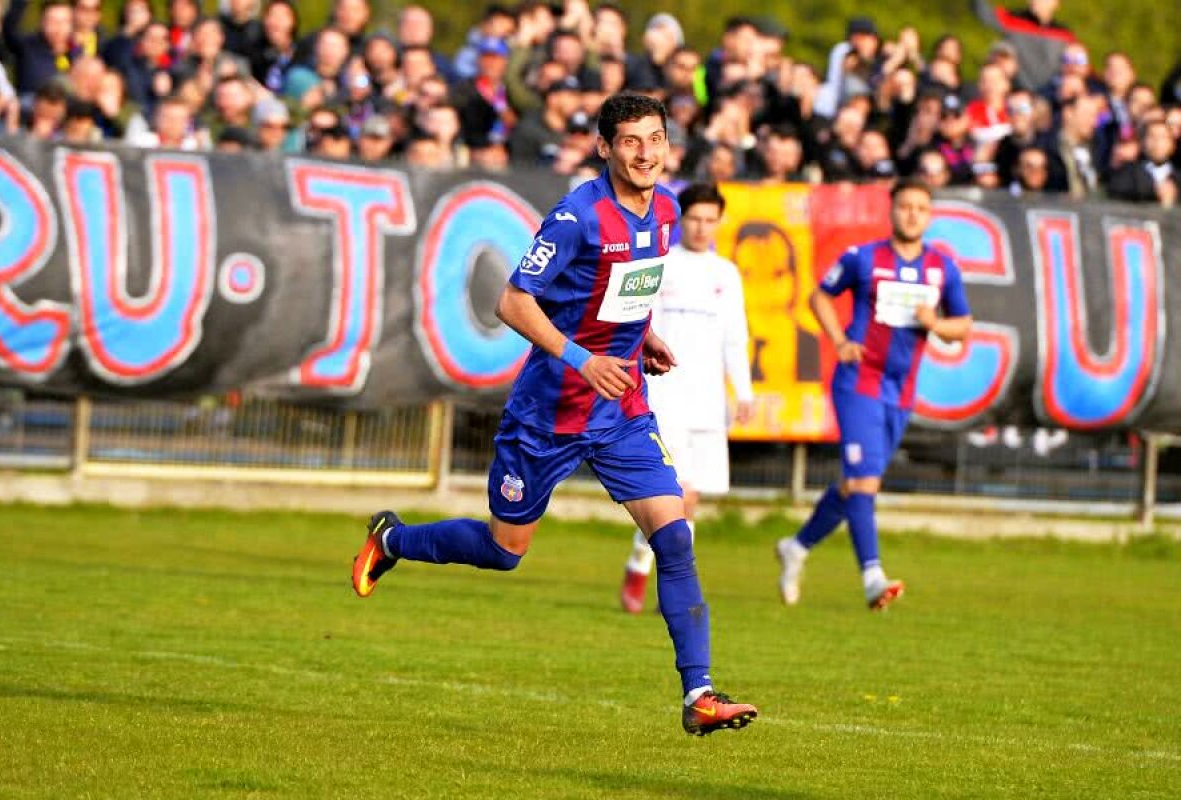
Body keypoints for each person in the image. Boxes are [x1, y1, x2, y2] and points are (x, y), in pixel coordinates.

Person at [351, 92, 758, 737]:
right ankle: (393, 539)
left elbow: (631, 287)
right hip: (550, 412)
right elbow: (512, 304)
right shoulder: (577, 216)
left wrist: (641, 335)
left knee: (675, 535)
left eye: (655, 139)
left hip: (621, 406)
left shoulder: (669, 210)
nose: (646, 153)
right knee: (504, 549)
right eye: (631, 141)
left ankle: (699, 694)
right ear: (604, 148)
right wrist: (581, 358)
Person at [775, 178, 972, 610]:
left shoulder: (942, 268)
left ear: (929, 215)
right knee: (866, 481)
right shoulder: (863, 258)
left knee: (854, 483)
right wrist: (839, 340)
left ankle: (797, 547)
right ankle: (872, 575)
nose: (912, 214)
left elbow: (963, 327)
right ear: (892, 210)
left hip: (900, 392)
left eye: (921, 208)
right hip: (858, 381)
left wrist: (935, 324)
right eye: (905, 206)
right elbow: (819, 296)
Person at [618, 182, 754, 614]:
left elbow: (736, 337)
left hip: (707, 399)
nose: (701, 227)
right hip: (663, 394)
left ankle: (642, 563)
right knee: (680, 494)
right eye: (694, 218)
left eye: (710, 220)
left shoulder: (726, 273)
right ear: (681, 220)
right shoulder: (661, 265)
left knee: (687, 498)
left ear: (718, 223)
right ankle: (673, 583)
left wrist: (743, 390)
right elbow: (636, 322)